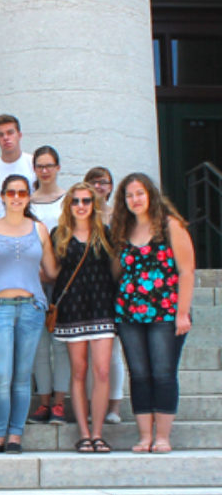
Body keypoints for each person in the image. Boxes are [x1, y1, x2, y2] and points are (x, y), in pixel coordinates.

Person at [111, 172, 195, 454]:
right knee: (139, 374)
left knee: (163, 372)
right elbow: (117, 272)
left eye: (139, 193)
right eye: (129, 195)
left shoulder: (170, 226)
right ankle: (145, 436)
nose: (135, 200)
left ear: (151, 195)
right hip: (129, 314)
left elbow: (186, 271)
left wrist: (182, 313)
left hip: (166, 312)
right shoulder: (123, 231)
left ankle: (163, 437)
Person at [0, 175, 58, 454]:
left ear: (28, 196)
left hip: (30, 307)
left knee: (23, 376)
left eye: (22, 192)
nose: (16, 197)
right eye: (10, 192)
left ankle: (15, 435)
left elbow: (51, 271)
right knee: (0, 375)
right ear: (1, 195)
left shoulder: (39, 229)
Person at [51, 182, 117, 453]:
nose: (81, 206)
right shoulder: (59, 234)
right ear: (69, 205)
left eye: (86, 201)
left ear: (94, 204)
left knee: (101, 370)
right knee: (78, 372)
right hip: (73, 309)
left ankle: (98, 433)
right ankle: (84, 433)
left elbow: (115, 270)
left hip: (102, 306)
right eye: (76, 201)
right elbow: (52, 272)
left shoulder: (105, 233)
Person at [28, 146, 70, 425]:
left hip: (63, 279)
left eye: (49, 165)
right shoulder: (26, 202)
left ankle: (59, 402)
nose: (45, 170)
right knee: (38, 346)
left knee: (61, 344)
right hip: (32, 279)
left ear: (57, 167)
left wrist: (56, 271)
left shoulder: (68, 200)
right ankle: (43, 402)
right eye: (40, 166)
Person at [85, 165, 125, 423]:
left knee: (113, 354)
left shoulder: (119, 218)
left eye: (105, 182)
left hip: (114, 289)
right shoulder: (80, 216)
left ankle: (115, 407)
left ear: (111, 187)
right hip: (87, 290)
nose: (100, 186)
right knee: (90, 355)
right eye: (95, 182)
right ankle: (93, 405)